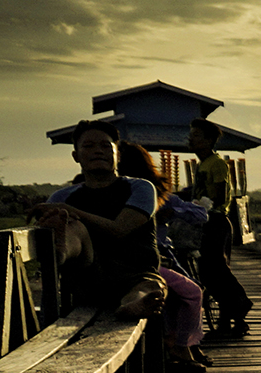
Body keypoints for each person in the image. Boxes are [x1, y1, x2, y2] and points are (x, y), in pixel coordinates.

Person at [34, 122, 168, 320]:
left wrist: (69, 210)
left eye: (106, 146)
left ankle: (133, 305)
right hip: (85, 276)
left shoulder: (140, 188)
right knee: (74, 228)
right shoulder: (61, 197)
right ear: (76, 156)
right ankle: (59, 251)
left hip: (134, 276)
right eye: (88, 146)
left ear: (118, 155)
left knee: (149, 287)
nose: (98, 151)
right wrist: (55, 218)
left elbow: (119, 229)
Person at [118, 141, 212, 373]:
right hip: (144, 264)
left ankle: (184, 343)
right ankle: (181, 346)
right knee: (192, 292)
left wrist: (172, 212)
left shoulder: (145, 192)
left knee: (183, 291)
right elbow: (201, 214)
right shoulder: (140, 192)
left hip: (155, 260)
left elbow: (200, 214)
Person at [182, 118, 253, 336]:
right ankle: (225, 323)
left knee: (216, 271)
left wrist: (199, 203)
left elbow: (220, 195)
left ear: (209, 141)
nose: (190, 139)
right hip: (205, 221)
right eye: (191, 134)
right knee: (208, 273)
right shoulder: (202, 164)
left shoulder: (217, 164)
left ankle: (240, 309)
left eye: (196, 135)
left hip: (216, 221)